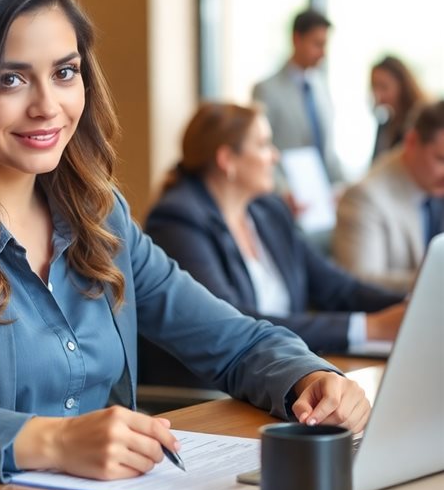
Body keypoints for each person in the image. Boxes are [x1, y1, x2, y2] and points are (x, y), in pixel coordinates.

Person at [0, 0, 369, 487]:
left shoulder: (97, 213)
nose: (48, 106)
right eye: (11, 79)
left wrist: (310, 376)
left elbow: (232, 341)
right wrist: (52, 441)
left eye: (64, 73)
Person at [141, 103, 405, 390]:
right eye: (264, 145)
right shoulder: (178, 220)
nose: (275, 156)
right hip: (213, 394)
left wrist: (409, 305)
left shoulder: (268, 211)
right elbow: (232, 323)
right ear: (227, 159)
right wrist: (369, 328)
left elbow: (336, 286)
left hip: (279, 378)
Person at [334, 100, 444, 293]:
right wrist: (434, 280)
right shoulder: (364, 197)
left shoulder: (432, 181)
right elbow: (359, 283)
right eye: (441, 159)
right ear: (411, 142)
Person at [252, 9, 344, 185]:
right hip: (286, 195)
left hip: (324, 193)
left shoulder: (322, 87)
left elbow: (329, 150)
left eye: (325, 45)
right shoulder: (266, 89)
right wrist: (284, 191)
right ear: (296, 39)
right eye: (317, 44)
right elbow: (260, 147)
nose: (323, 53)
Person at [370, 55, 430, 161]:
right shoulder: (385, 125)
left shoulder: (421, 123)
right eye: (374, 86)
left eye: (384, 86)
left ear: (402, 85)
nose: (378, 94)